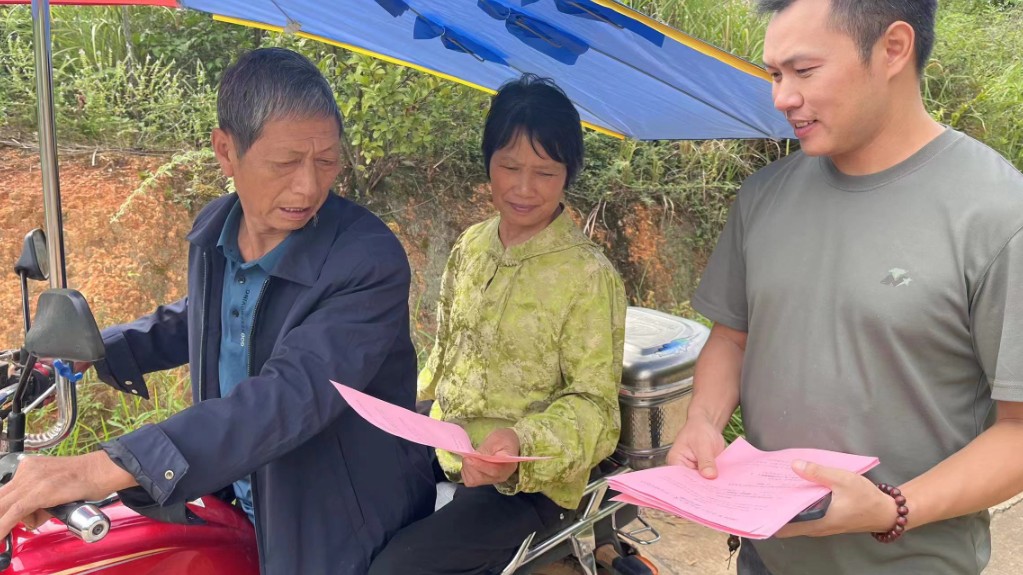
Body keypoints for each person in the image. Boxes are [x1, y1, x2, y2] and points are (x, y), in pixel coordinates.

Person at [0, 47, 435, 574]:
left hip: (339, 521)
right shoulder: (217, 231)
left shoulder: (366, 260)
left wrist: (100, 466)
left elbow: (288, 396)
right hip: (241, 496)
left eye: (326, 161)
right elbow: (208, 316)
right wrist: (99, 351)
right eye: (285, 163)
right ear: (226, 151)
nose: (308, 186)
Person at [666, 0, 1023, 573]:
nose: (782, 98)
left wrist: (892, 508)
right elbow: (731, 338)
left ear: (893, 49)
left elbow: (1018, 431)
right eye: (775, 75)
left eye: (804, 71)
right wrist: (703, 421)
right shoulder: (763, 197)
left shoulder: (998, 214)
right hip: (765, 556)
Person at [368, 74, 626, 575]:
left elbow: (595, 408)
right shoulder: (471, 246)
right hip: (447, 443)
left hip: (528, 483)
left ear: (568, 175)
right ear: (488, 163)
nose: (524, 188)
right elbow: (444, 359)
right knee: (345, 507)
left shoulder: (588, 275)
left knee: (396, 570)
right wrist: (404, 412)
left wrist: (520, 444)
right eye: (509, 167)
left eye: (545, 172)